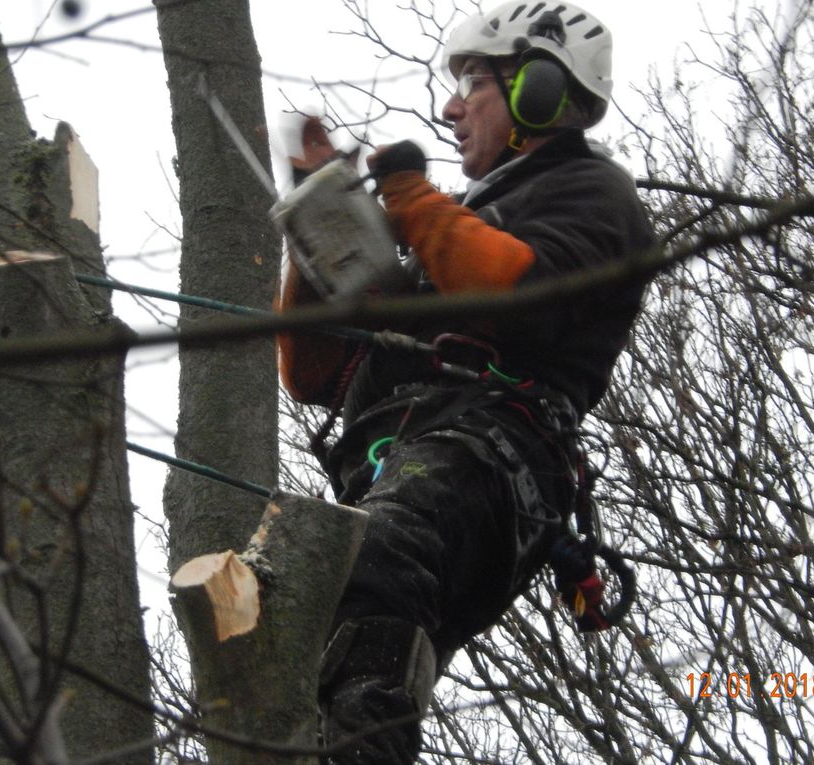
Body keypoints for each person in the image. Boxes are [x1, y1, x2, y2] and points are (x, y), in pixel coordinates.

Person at [277, 2, 655, 762]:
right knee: (293, 615)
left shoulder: (591, 195)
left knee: (371, 555)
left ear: (538, 92)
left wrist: (414, 199)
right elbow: (315, 373)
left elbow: (512, 287)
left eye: (472, 83)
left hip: (491, 456)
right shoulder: (456, 229)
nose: (450, 107)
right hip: (403, 460)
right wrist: (324, 237)